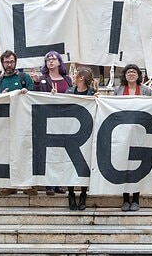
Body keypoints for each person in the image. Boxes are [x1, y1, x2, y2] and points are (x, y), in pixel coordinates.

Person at [0, 50, 38, 198]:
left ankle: (27, 184)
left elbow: (35, 95)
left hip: (24, 123)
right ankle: (9, 185)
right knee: (6, 154)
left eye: (11, 61)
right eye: (6, 62)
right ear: (2, 63)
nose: (9, 65)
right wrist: (1, 96)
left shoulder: (25, 78)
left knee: (25, 152)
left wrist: (27, 93)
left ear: (15, 62)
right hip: (5, 124)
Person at [112, 63, 152, 211]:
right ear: (125, 75)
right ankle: (125, 199)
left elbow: (151, 107)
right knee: (123, 164)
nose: (131, 74)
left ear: (138, 75)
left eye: (134, 72)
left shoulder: (146, 90)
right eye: (128, 72)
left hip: (140, 132)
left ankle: (135, 198)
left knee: (136, 165)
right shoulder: (118, 90)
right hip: (122, 131)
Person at [33, 50, 70, 195]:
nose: (50, 61)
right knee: (49, 153)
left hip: (64, 120)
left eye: (53, 59)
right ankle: (49, 184)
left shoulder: (67, 79)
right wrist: (37, 83)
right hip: (47, 120)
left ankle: (59, 183)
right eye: (48, 60)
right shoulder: (43, 78)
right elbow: (35, 96)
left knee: (61, 153)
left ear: (60, 62)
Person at [65, 67, 97, 210]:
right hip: (70, 131)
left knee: (84, 164)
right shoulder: (69, 91)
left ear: (81, 77)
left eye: (75, 74)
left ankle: (83, 194)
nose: (72, 76)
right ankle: (71, 194)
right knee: (70, 164)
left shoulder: (93, 93)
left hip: (87, 132)